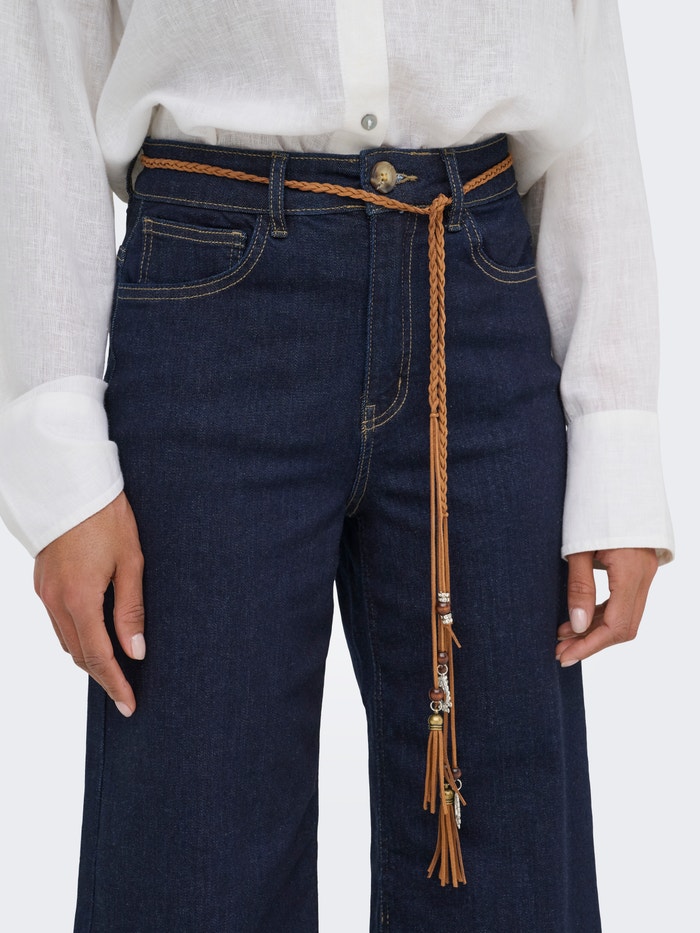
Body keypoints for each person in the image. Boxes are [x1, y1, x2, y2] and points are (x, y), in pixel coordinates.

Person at [0, 1, 674, 931]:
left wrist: (616, 429)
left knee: (502, 861)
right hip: (213, 304)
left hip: (475, 289)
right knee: (188, 860)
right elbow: (40, 60)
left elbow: (583, 51)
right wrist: (57, 451)